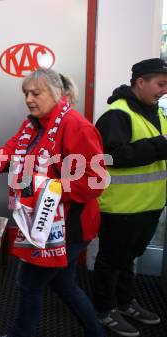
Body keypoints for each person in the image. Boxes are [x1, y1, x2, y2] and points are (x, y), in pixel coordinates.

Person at [0, 68, 106, 337]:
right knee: (64, 286)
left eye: (36, 93)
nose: (29, 99)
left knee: (28, 283)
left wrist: (46, 188)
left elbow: (95, 180)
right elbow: (10, 151)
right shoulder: (33, 123)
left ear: (57, 94)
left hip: (69, 227)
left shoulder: (77, 126)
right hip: (43, 224)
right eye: (25, 94)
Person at [93, 58, 167, 337]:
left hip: (150, 203)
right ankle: (104, 309)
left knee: (129, 259)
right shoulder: (117, 114)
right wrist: (161, 146)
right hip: (121, 206)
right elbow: (112, 156)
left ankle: (124, 303)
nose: (164, 91)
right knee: (111, 261)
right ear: (140, 82)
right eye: (160, 84)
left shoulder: (156, 112)